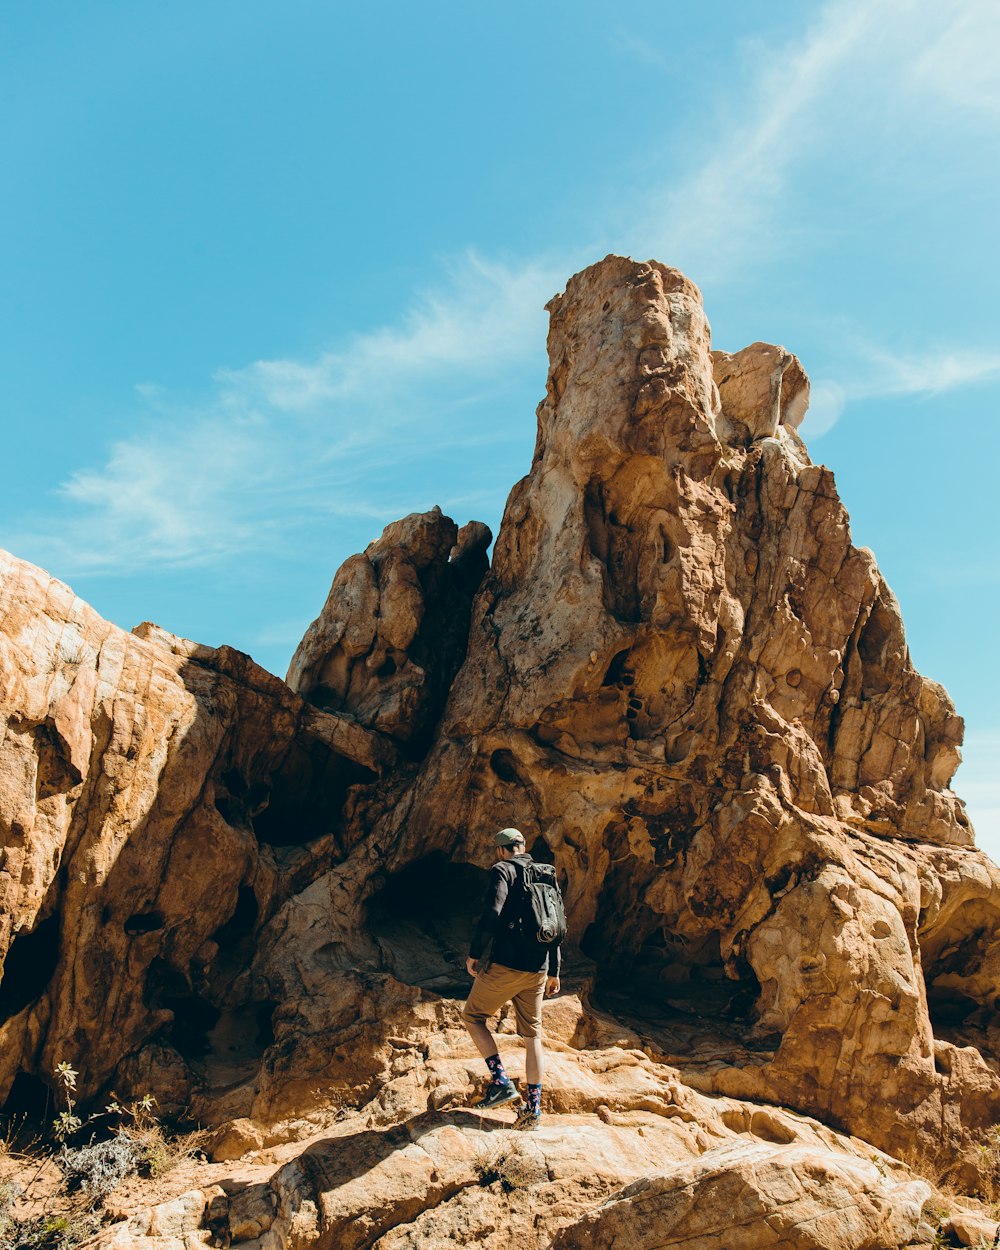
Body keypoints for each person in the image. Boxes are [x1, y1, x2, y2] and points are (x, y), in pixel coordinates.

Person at [461, 827, 562, 1131]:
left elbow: (493, 912)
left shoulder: (502, 870)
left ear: (500, 850)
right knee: (533, 1036)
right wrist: (555, 969)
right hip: (539, 968)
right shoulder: (546, 872)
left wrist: (475, 953)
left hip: (507, 964)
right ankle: (532, 1110)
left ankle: (501, 1081)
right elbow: (557, 921)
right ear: (523, 846)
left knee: (473, 1016)